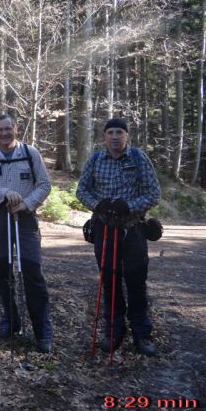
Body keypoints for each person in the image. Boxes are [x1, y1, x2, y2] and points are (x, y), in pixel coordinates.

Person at [76, 117, 161, 356]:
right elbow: (82, 190)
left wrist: (129, 206)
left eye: (119, 133)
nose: (115, 137)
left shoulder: (138, 158)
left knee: (136, 281)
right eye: (110, 132)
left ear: (127, 136)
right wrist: (99, 204)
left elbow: (154, 193)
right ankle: (113, 331)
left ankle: (141, 333)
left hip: (133, 228)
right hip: (104, 228)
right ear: (104, 137)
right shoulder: (96, 160)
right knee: (110, 281)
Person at [0, 114, 54, 353]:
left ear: (16, 129)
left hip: (25, 217)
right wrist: (4, 192)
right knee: (2, 269)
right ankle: (11, 320)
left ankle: (42, 331)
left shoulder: (30, 153)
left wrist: (27, 204)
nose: (5, 133)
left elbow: (44, 185)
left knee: (32, 271)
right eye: (0, 130)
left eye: (8, 129)